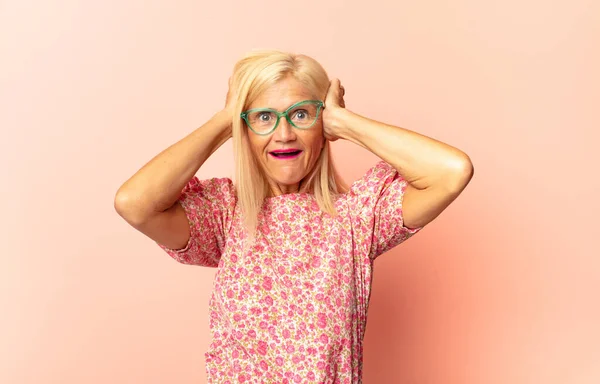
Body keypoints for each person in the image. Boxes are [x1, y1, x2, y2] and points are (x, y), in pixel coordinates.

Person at [114, 49, 474, 383]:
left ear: (322, 124)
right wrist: (226, 120)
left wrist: (345, 123)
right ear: (246, 129)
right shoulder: (224, 213)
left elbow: (452, 171)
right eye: (264, 117)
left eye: (301, 114)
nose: (284, 134)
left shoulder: (358, 216)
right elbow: (134, 202)